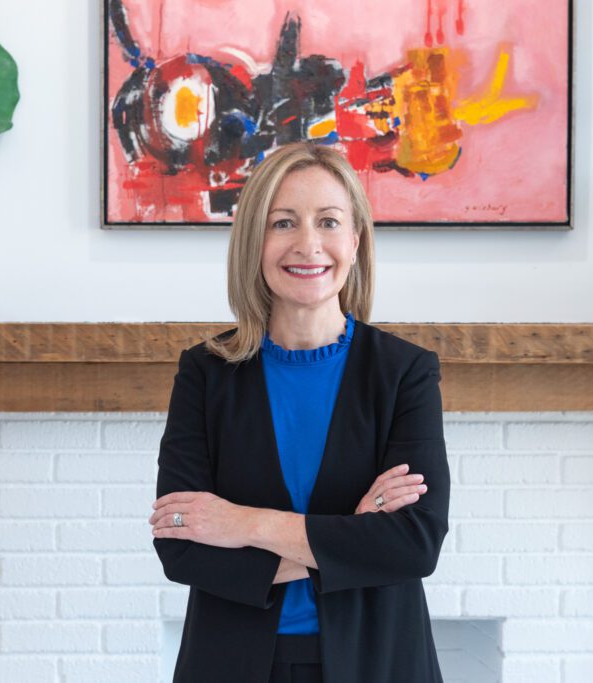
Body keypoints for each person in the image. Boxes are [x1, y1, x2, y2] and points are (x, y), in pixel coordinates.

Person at [148, 141, 450, 683]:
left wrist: (242, 524)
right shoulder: (205, 373)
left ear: (355, 241)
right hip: (230, 662)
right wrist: (352, 537)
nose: (308, 245)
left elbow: (413, 544)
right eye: (283, 223)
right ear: (255, 243)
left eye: (329, 222)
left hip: (378, 660)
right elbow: (182, 547)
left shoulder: (405, 372)